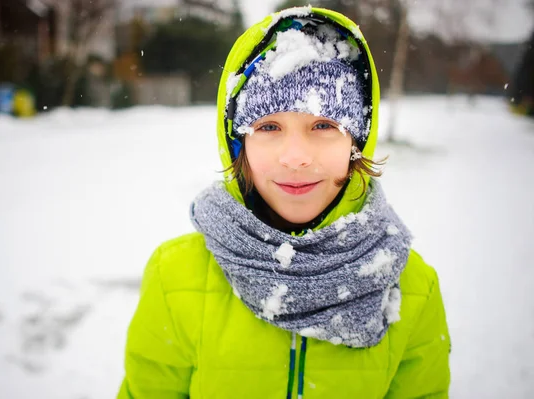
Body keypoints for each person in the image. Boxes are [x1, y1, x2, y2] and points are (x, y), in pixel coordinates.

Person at [117, 6, 451, 399]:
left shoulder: (413, 287)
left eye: (324, 125)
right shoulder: (175, 278)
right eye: (269, 126)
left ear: (355, 143)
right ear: (237, 142)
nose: (295, 157)